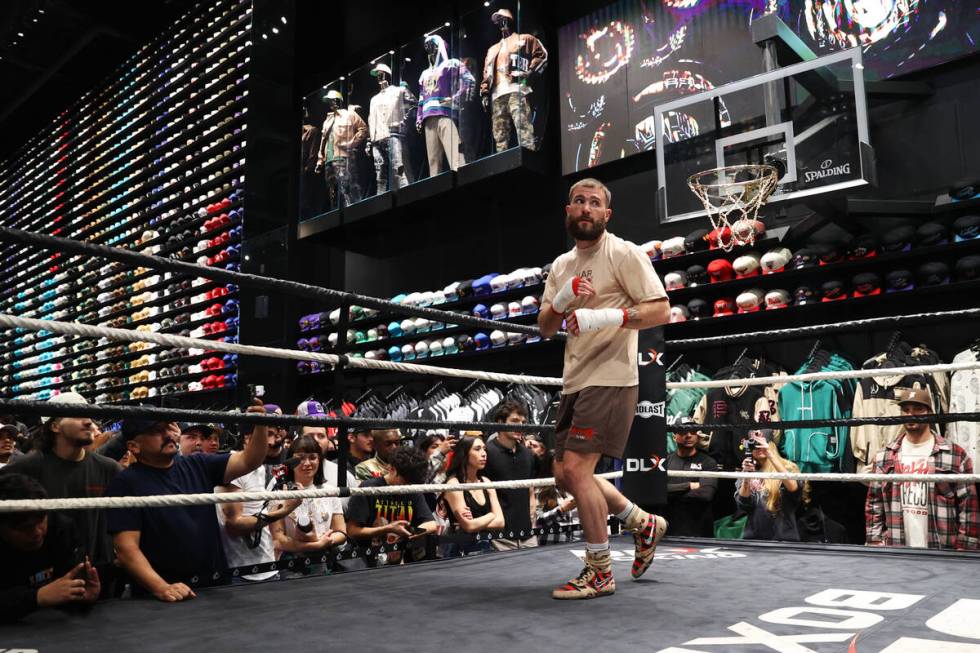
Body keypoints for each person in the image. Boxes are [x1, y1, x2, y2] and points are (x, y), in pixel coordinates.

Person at [538, 177, 671, 600]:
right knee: (565, 475)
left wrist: (605, 317)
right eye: (579, 201)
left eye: (594, 203)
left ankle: (598, 570)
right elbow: (544, 328)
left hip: (611, 377)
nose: (586, 208)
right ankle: (641, 522)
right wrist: (561, 300)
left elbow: (662, 310)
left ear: (606, 214)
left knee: (578, 471)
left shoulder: (623, 253)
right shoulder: (561, 266)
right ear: (568, 210)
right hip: (574, 379)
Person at [106, 402, 270, 601]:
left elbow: (250, 460)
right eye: (156, 430)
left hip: (215, 584)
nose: (168, 434)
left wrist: (260, 424)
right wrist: (161, 588)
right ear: (133, 446)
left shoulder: (198, 464)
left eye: (169, 427)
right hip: (164, 595)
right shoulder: (125, 483)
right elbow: (126, 549)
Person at [0, 393, 119, 584]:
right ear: (54, 426)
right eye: (77, 415)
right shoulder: (26, 467)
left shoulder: (108, 468)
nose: (89, 422)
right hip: (45, 580)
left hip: (99, 573)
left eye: (88, 415)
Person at [866, 384, 979, 549]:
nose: (911, 414)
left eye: (918, 409)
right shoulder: (885, 456)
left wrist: (964, 551)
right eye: (906, 410)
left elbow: (969, 509)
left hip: (942, 551)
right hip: (897, 550)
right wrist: (875, 542)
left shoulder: (955, 455)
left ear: (930, 412)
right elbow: (874, 504)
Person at [0, 474, 100, 622]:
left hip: (52, 628)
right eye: (25, 528)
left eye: (41, 521)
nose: (37, 532)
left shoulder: (61, 529)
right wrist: (37, 597)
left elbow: (68, 588)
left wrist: (81, 596)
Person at [217, 423, 302, 582]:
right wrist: (283, 511)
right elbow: (234, 525)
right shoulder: (233, 468)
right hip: (241, 572)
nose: (273, 441)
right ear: (248, 438)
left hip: (268, 567)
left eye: (275, 435)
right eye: (267, 434)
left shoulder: (261, 468)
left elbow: (266, 517)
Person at [347, 447, 438, 566]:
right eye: (404, 481)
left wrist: (412, 532)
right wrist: (388, 529)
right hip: (367, 561)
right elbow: (352, 531)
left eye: (410, 483)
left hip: (399, 562)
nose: (406, 486)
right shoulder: (369, 488)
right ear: (391, 469)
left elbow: (431, 524)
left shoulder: (411, 489)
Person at [269, 436, 347, 573]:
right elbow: (278, 540)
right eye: (300, 458)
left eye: (312, 457)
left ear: (320, 460)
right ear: (290, 461)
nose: (307, 463)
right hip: (290, 567)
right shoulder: (279, 492)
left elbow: (341, 532)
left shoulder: (329, 491)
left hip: (324, 564)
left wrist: (327, 540)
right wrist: (314, 545)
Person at [484, 400, 538, 550]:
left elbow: (530, 489)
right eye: (514, 421)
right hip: (499, 535)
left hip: (527, 533)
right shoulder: (486, 452)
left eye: (522, 422)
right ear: (500, 422)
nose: (519, 425)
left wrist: (532, 517)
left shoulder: (527, 454)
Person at [442, 437, 505, 556]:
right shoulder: (454, 484)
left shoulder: (486, 481)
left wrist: (476, 522)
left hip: (484, 546)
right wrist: (492, 515)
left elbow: (500, 522)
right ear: (464, 454)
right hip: (459, 549)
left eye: (484, 449)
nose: (484, 454)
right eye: (477, 449)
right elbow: (469, 526)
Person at [736, 430, 803, 541]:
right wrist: (746, 476)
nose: (758, 448)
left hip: (783, 538)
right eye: (755, 445)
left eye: (761, 444)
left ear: (771, 445)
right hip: (754, 538)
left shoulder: (788, 467)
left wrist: (770, 454)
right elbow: (744, 504)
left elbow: (793, 489)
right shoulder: (747, 471)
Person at [665, 423, 718, 537]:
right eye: (683, 432)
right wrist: (689, 485)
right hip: (670, 529)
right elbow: (657, 492)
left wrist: (672, 494)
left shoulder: (708, 462)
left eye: (693, 432)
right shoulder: (665, 461)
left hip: (700, 529)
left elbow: (706, 494)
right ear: (674, 436)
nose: (689, 435)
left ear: (697, 436)